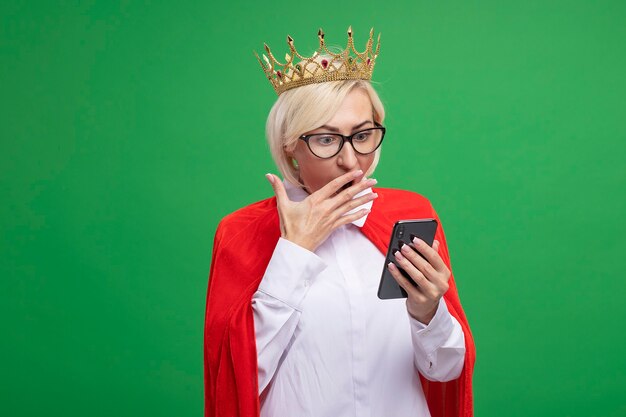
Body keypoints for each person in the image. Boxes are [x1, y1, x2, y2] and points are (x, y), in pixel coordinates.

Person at [204, 27, 475, 417]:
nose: (352, 161)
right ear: (290, 144)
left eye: (363, 135)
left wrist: (428, 311)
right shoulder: (242, 232)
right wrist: (293, 253)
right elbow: (236, 380)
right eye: (327, 140)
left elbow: (446, 370)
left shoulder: (410, 214)